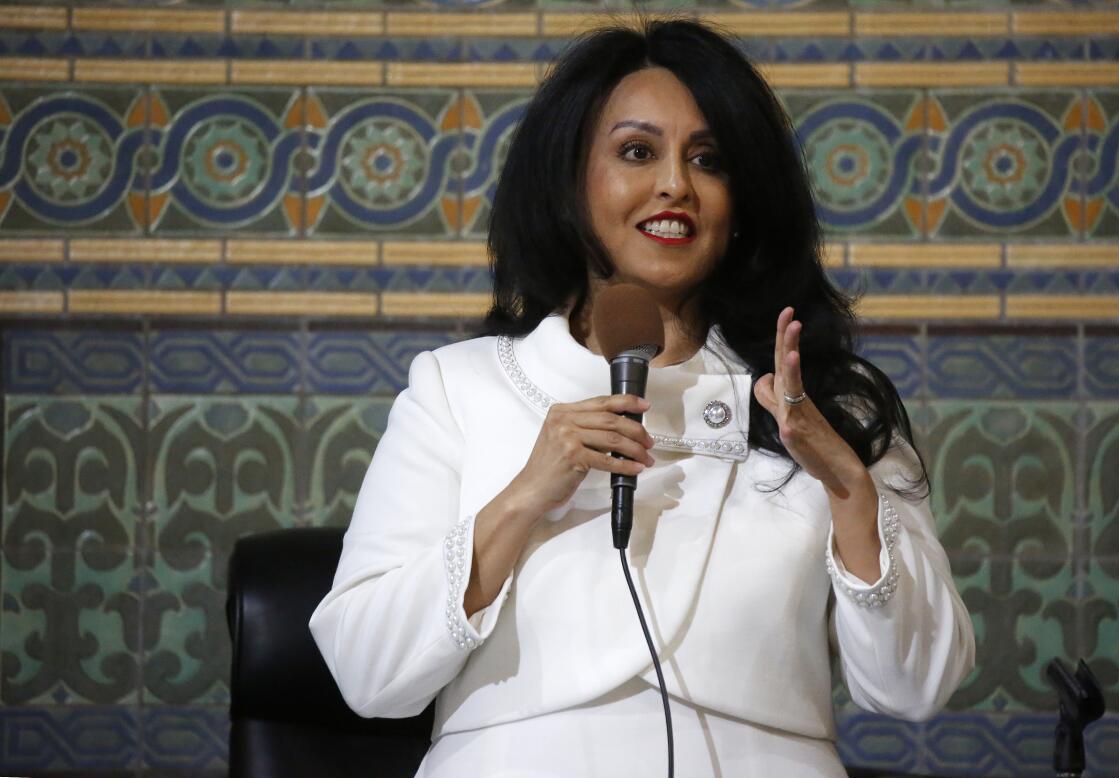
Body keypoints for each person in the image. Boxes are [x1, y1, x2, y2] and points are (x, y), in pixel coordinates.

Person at [310, 18, 974, 777]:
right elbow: (365, 672)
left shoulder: (827, 407)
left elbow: (915, 687)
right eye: (637, 152)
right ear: (570, 183)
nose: (674, 185)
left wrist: (852, 490)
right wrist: (525, 497)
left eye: (709, 160)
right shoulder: (459, 388)